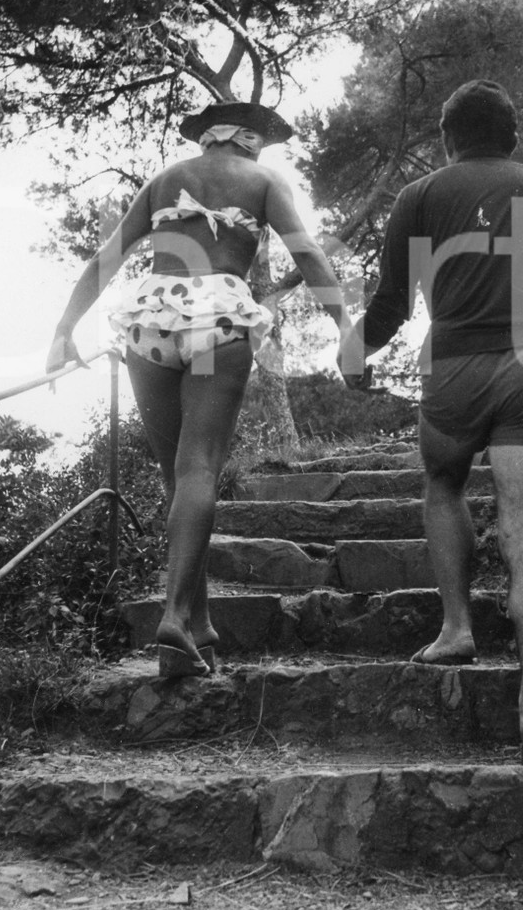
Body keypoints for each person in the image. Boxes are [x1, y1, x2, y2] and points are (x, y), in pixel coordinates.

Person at [338, 79, 523, 764]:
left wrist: (355, 347)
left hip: (455, 371)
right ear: (513, 134)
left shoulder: (418, 197)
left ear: (448, 140)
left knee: (443, 480)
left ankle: (457, 625)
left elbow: (391, 307)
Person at [46, 101, 352, 679]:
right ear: (249, 140)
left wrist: (64, 329)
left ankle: (198, 624)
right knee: (200, 471)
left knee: (177, 480)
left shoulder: (163, 180)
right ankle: (175, 613)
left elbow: (105, 258)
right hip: (217, 315)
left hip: (151, 318)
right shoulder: (263, 180)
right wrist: (346, 327)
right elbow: (308, 253)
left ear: (207, 139)